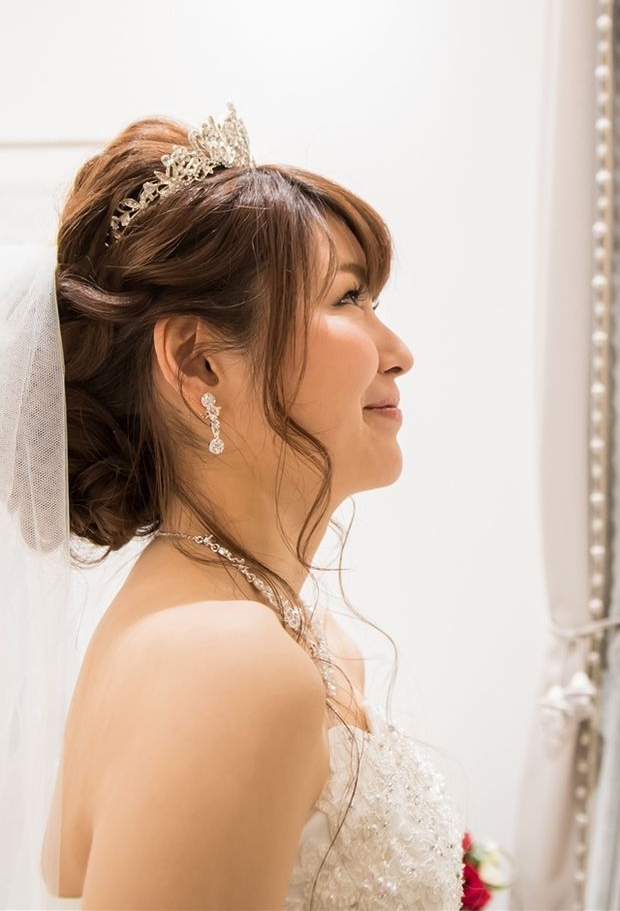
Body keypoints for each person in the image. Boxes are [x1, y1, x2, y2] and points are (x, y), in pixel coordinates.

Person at [1, 105, 465, 908]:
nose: (398, 353)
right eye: (348, 298)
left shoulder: (297, 636)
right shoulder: (229, 663)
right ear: (198, 363)